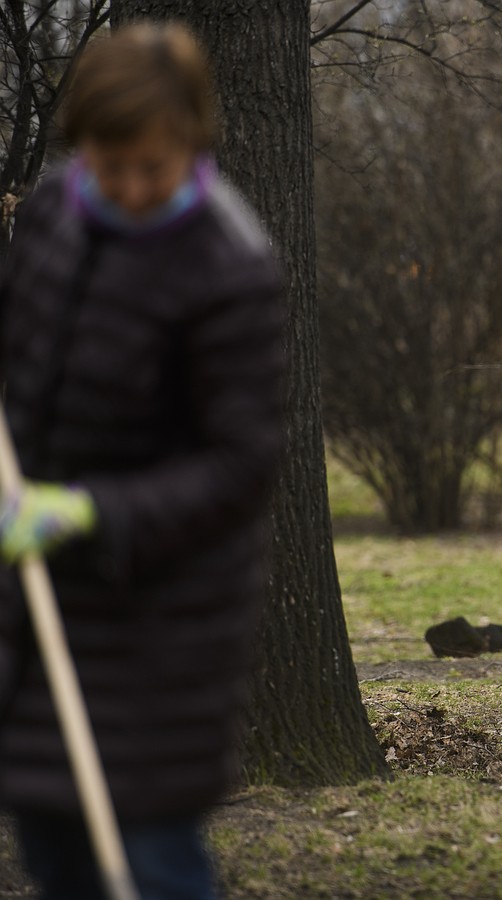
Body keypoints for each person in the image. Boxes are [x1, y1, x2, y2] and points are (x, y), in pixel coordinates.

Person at [0, 23, 285, 899]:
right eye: (106, 162)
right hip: (34, 597)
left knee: (144, 855)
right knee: (50, 841)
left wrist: (88, 511)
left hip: (161, 619)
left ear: (192, 144)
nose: (125, 187)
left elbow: (242, 465)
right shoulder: (54, 210)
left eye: (150, 169)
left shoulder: (228, 267)